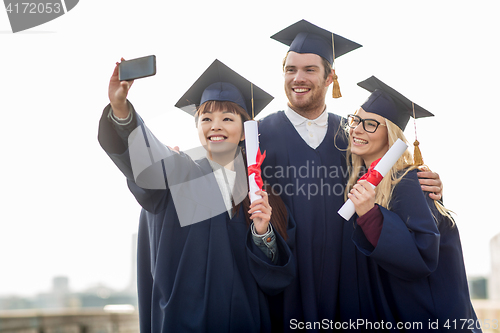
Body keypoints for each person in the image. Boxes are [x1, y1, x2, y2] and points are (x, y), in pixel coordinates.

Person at [258, 20, 444, 331]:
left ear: (331, 76)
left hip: (350, 287)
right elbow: (221, 178)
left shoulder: (352, 136)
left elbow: (390, 178)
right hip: (285, 286)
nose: (297, 78)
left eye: (309, 69)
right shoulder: (258, 135)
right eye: (290, 69)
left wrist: (429, 184)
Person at [98, 58, 296, 332]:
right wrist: (121, 109)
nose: (216, 126)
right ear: (197, 127)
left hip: (244, 323)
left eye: (227, 118)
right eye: (206, 118)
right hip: (182, 322)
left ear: (244, 132)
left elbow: (276, 279)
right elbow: (146, 158)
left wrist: (263, 233)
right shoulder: (178, 173)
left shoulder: (262, 193)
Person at [343, 75, 480, 332]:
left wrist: (370, 216)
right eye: (356, 120)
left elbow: (423, 256)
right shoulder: (363, 181)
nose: (357, 129)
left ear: (391, 136)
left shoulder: (409, 182)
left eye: (371, 124)